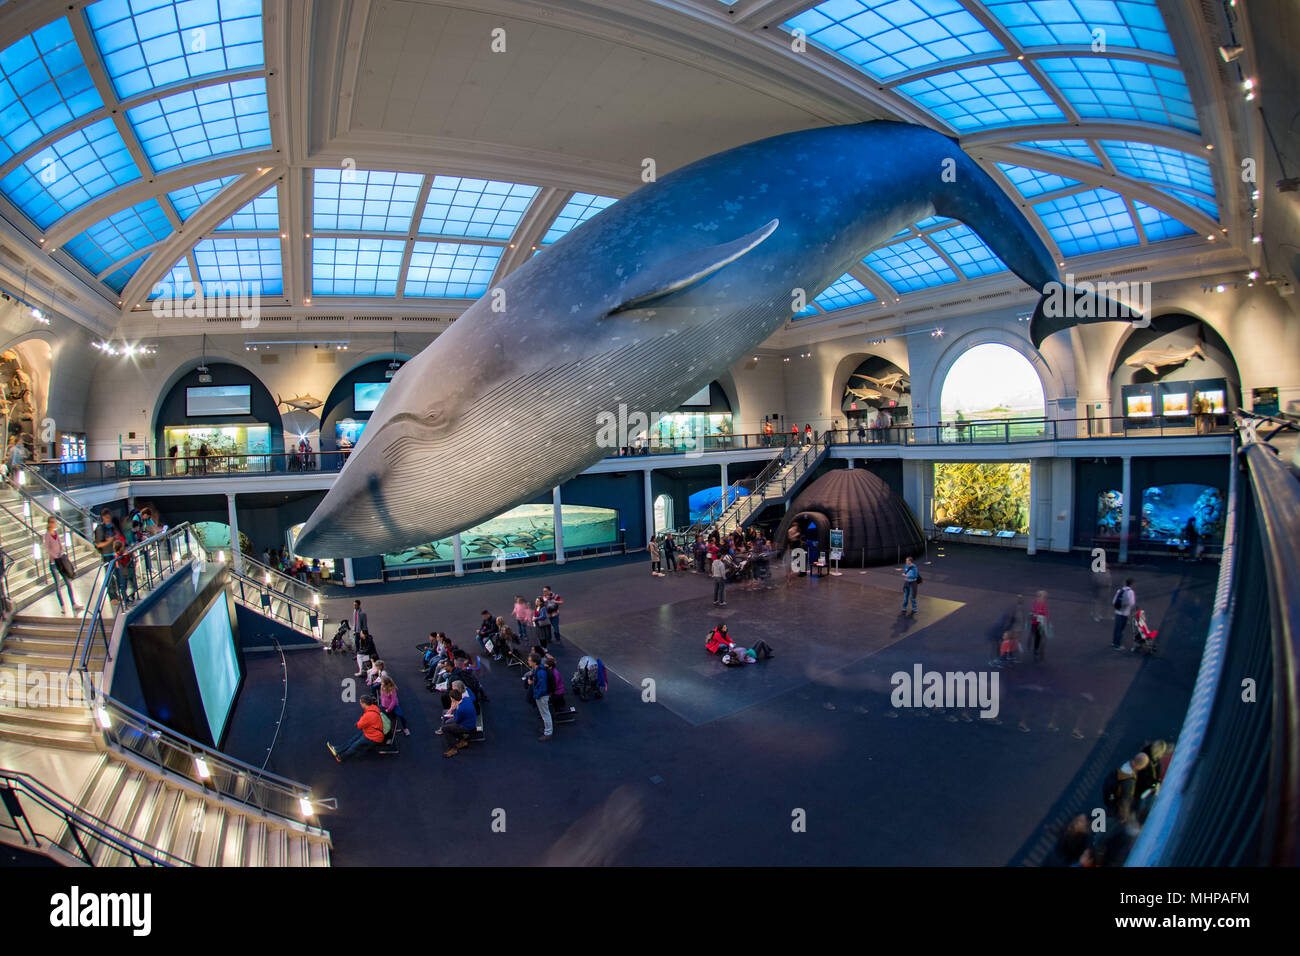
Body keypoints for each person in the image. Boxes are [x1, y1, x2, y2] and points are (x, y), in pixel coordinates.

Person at [327, 695, 385, 762]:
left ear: (364, 704)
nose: (360, 704)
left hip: (373, 737)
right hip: (372, 732)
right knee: (353, 739)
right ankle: (338, 750)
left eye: (361, 703)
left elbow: (359, 725)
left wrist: (359, 722)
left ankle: (341, 757)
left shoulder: (368, 715)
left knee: (355, 746)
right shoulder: (374, 708)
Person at [43, 516, 81, 613]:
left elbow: (60, 545)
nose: (54, 524)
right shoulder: (47, 535)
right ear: (49, 523)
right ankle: (63, 606)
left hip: (61, 560)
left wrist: (61, 552)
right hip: (54, 563)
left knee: (68, 582)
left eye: (54, 522)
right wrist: (55, 555)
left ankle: (73, 603)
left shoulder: (56, 533)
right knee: (58, 584)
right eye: (52, 522)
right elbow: (47, 548)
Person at [441, 686, 477, 757]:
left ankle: (452, 749)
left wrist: (453, 709)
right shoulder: (466, 699)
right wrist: (467, 688)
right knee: (448, 723)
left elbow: (457, 720)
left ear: (452, 699)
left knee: (445, 728)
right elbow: (473, 697)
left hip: (466, 726)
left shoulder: (460, 709)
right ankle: (462, 740)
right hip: (472, 722)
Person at [527, 653, 553, 741]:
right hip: (540, 695)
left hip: (542, 696)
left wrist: (536, 695)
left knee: (545, 714)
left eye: (530, 660)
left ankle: (548, 732)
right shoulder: (537, 669)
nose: (528, 662)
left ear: (534, 662)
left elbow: (543, 687)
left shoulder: (540, 672)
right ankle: (546, 729)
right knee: (543, 713)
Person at [1111, 578, 1136, 649]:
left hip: (1117, 612)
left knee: (1117, 628)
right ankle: (1118, 644)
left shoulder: (1119, 591)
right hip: (1125, 613)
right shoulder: (1131, 592)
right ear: (1131, 584)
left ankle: (1114, 642)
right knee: (1121, 629)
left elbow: (1113, 601)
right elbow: (1132, 603)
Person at [1030, 589, 1050, 662]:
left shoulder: (1044, 604)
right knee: (1038, 637)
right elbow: (1033, 611)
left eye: (1045, 597)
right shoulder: (1036, 602)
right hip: (1036, 623)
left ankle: (1037, 649)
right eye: (1043, 596)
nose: (1044, 598)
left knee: (1040, 637)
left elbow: (1046, 613)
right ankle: (1036, 650)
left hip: (1041, 623)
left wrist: (1046, 622)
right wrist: (1038, 614)